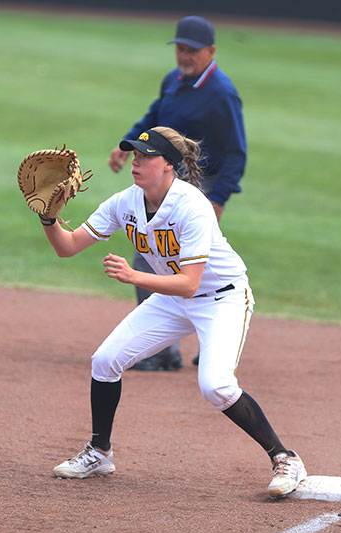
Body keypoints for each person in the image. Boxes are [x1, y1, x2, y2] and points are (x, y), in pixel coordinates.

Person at [41, 127, 305, 498]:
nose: (136, 162)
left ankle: (285, 457)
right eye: (134, 156)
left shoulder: (191, 206)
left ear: (168, 165)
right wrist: (48, 219)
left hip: (221, 298)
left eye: (145, 157)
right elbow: (68, 247)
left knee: (216, 385)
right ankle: (99, 452)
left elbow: (191, 283)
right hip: (171, 297)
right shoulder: (124, 202)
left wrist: (135, 276)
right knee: (104, 360)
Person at [108, 15, 247, 370]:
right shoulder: (173, 80)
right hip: (166, 180)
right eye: (180, 49)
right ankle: (165, 348)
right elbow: (154, 118)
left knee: (197, 264)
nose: (184, 56)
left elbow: (236, 152)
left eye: (192, 51)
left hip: (202, 185)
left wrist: (217, 199)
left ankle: (201, 343)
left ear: (211, 52)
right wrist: (128, 144)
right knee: (154, 253)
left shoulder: (222, 94)